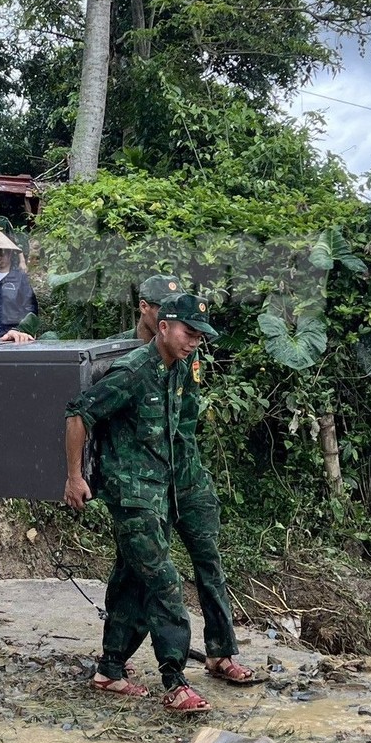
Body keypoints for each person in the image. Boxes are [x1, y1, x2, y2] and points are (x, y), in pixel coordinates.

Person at [63, 294, 222, 713]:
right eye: (189, 333)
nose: (194, 342)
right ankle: (175, 679)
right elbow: (79, 413)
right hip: (132, 496)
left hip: (161, 491)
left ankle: (110, 669)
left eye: (200, 336)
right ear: (165, 326)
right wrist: (75, 477)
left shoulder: (180, 368)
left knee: (133, 579)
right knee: (164, 581)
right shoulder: (133, 372)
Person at [106, 276, 254, 685]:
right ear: (148, 310)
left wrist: (190, 471)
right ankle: (116, 662)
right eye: (161, 306)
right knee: (140, 571)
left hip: (185, 476)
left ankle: (221, 652)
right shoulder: (122, 354)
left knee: (209, 560)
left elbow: (186, 418)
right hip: (143, 486)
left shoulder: (185, 354)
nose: (169, 317)